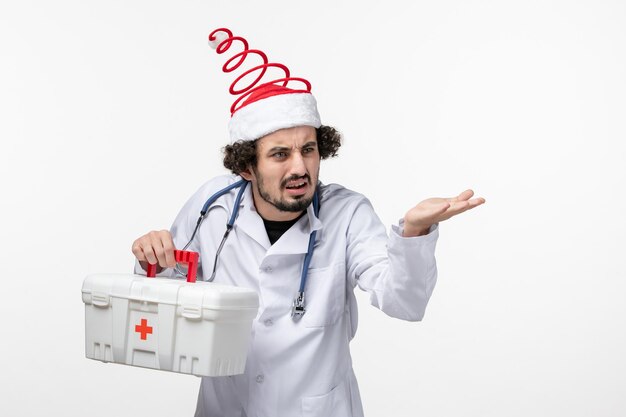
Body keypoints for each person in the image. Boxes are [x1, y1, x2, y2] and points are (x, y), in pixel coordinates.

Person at [131, 28, 485, 417]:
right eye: (280, 154)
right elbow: (163, 295)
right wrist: (154, 258)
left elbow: (404, 302)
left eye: (309, 150)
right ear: (247, 166)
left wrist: (414, 232)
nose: (300, 167)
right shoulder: (211, 205)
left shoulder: (346, 213)